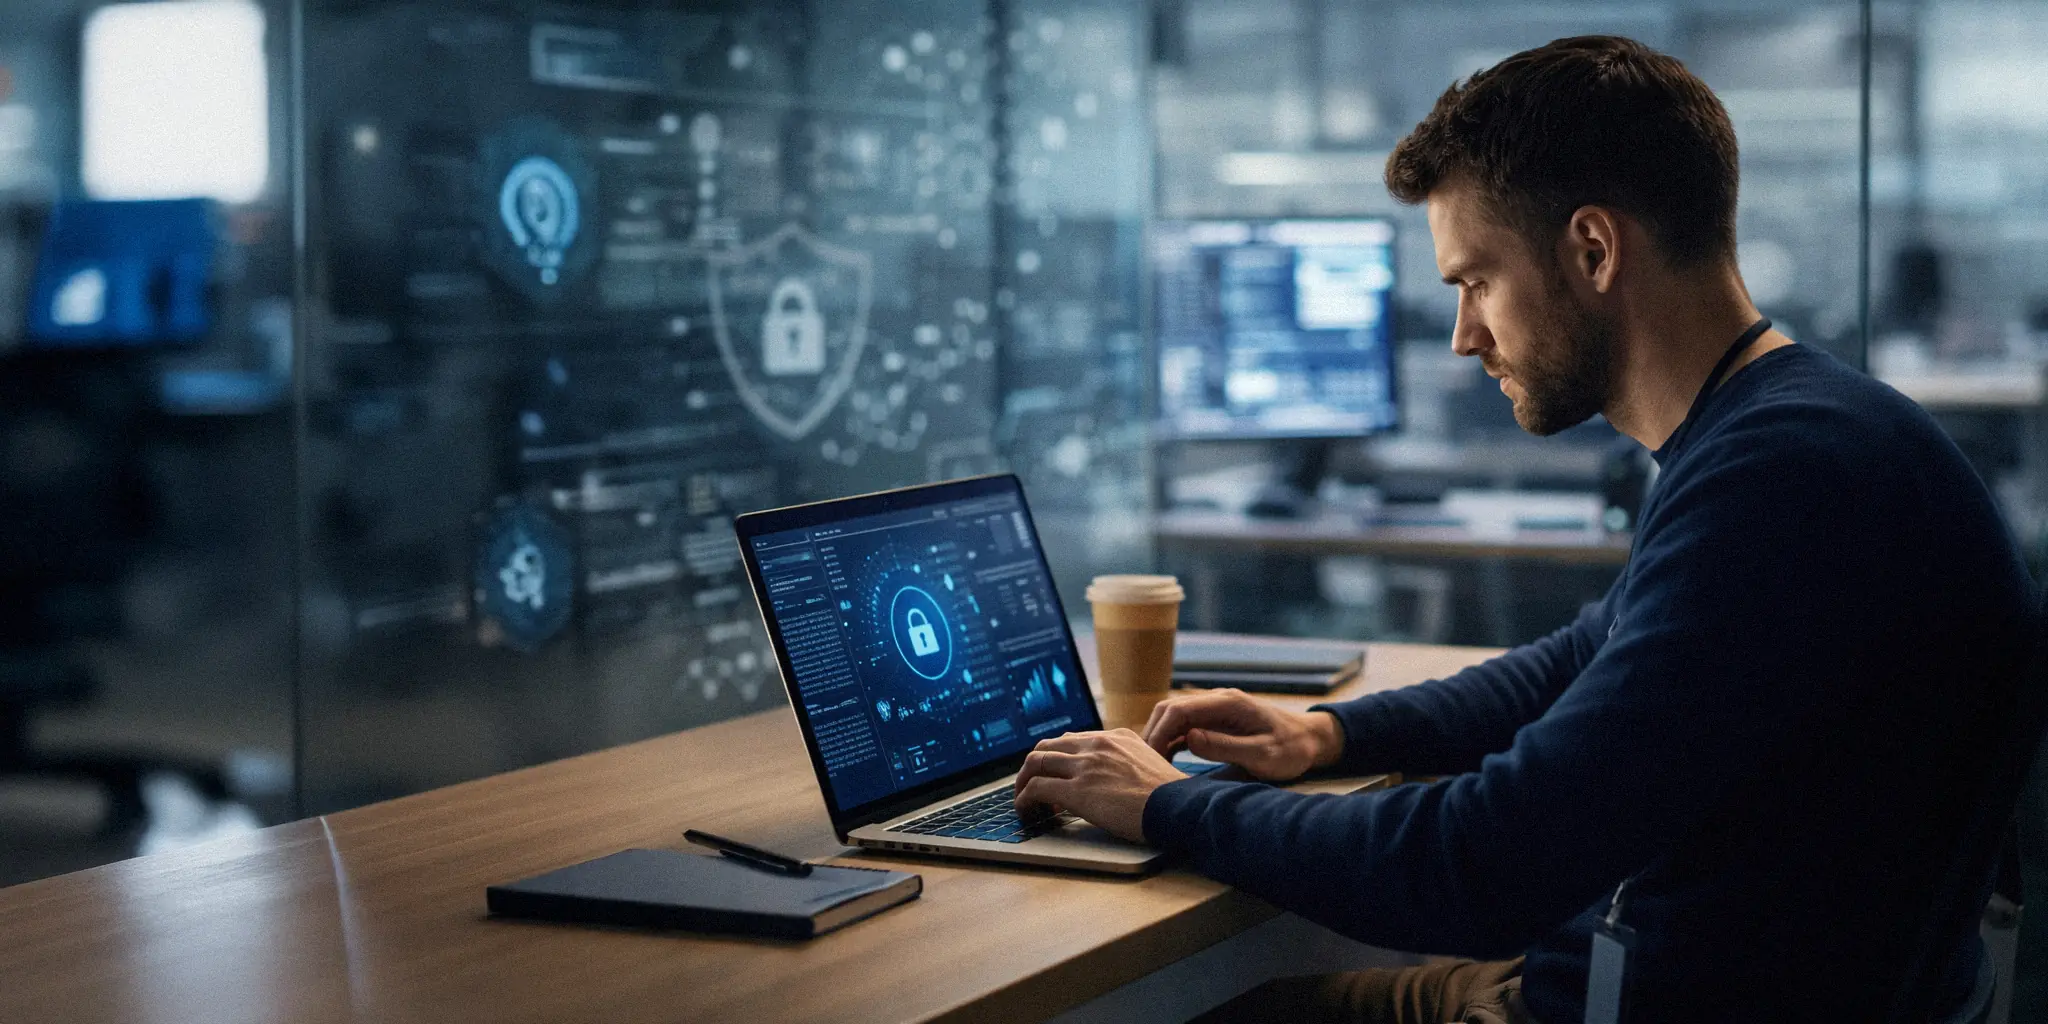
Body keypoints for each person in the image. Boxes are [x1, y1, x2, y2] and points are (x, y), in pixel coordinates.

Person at [1013, 35, 2034, 1023]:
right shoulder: (1793, 427)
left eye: (1473, 282)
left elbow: (1481, 866)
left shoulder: (1783, 481)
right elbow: (1581, 654)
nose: (1462, 336)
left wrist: (1164, 805)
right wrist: (1329, 730)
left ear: (1591, 249)